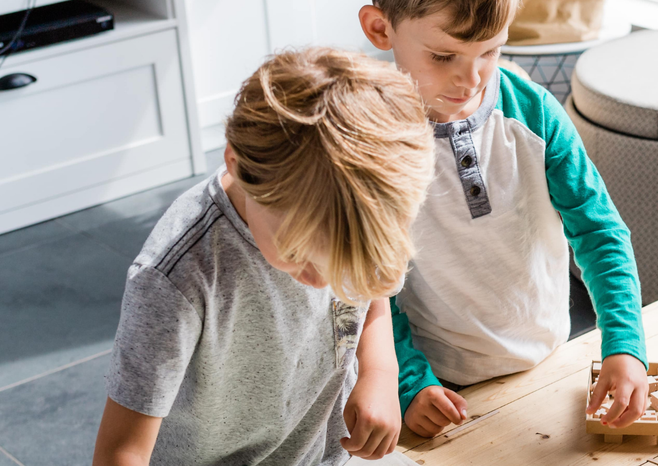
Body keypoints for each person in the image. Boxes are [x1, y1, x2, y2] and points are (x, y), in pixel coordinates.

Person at [357, 0, 649, 438]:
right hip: (444, 388)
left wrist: (624, 345)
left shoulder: (533, 112)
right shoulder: (372, 142)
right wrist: (409, 382)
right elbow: (371, 285)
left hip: (549, 359)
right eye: (444, 56)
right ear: (380, 28)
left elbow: (599, 229)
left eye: (491, 51)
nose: (472, 80)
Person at [92, 48, 435, 465]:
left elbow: (370, 299)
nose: (318, 281)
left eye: (341, 268)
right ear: (237, 165)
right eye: (297, 254)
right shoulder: (175, 276)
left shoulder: (358, 217)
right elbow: (121, 452)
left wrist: (379, 373)